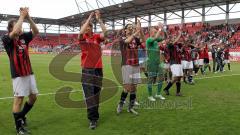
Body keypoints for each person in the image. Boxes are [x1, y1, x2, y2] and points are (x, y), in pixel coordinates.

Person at [1, 7, 39, 135]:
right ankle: (19, 129)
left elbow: (36, 31)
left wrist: (28, 18)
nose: (20, 28)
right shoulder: (7, 39)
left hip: (29, 72)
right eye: (16, 26)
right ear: (11, 29)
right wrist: (22, 16)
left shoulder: (24, 37)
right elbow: (16, 30)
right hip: (18, 74)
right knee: (19, 99)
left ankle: (21, 116)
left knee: (33, 97)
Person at [78, 10, 107, 130]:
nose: (86, 29)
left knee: (96, 94)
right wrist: (89, 18)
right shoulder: (82, 38)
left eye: (88, 27)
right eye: (84, 27)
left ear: (91, 28)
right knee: (89, 95)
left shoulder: (96, 37)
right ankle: (93, 119)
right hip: (87, 70)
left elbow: (105, 32)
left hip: (98, 69)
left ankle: (95, 114)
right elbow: (80, 32)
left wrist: (99, 19)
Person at [117, 20, 145, 115]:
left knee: (134, 88)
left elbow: (143, 40)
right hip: (126, 64)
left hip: (136, 64)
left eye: (131, 27)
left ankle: (131, 107)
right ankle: (121, 104)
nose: (130, 28)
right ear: (125, 30)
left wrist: (140, 30)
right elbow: (127, 41)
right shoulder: (122, 38)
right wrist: (136, 31)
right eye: (129, 27)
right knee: (127, 87)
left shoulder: (135, 39)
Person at [145, 23, 166, 101]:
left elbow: (164, 37)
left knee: (161, 78)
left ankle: (158, 94)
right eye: (155, 31)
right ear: (151, 32)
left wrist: (163, 29)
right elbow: (157, 37)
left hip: (158, 62)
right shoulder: (149, 40)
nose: (156, 32)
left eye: (156, 31)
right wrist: (160, 29)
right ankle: (150, 95)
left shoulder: (156, 40)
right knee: (151, 79)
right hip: (151, 63)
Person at [163, 26, 183, 96]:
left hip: (179, 62)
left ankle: (178, 92)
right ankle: (166, 88)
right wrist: (179, 34)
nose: (174, 38)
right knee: (175, 77)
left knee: (179, 77)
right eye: (173, 38)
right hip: (173, 62)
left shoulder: (177, 45)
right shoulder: (170, 45)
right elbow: (168, 39)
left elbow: (181, 48)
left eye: (174, 37)